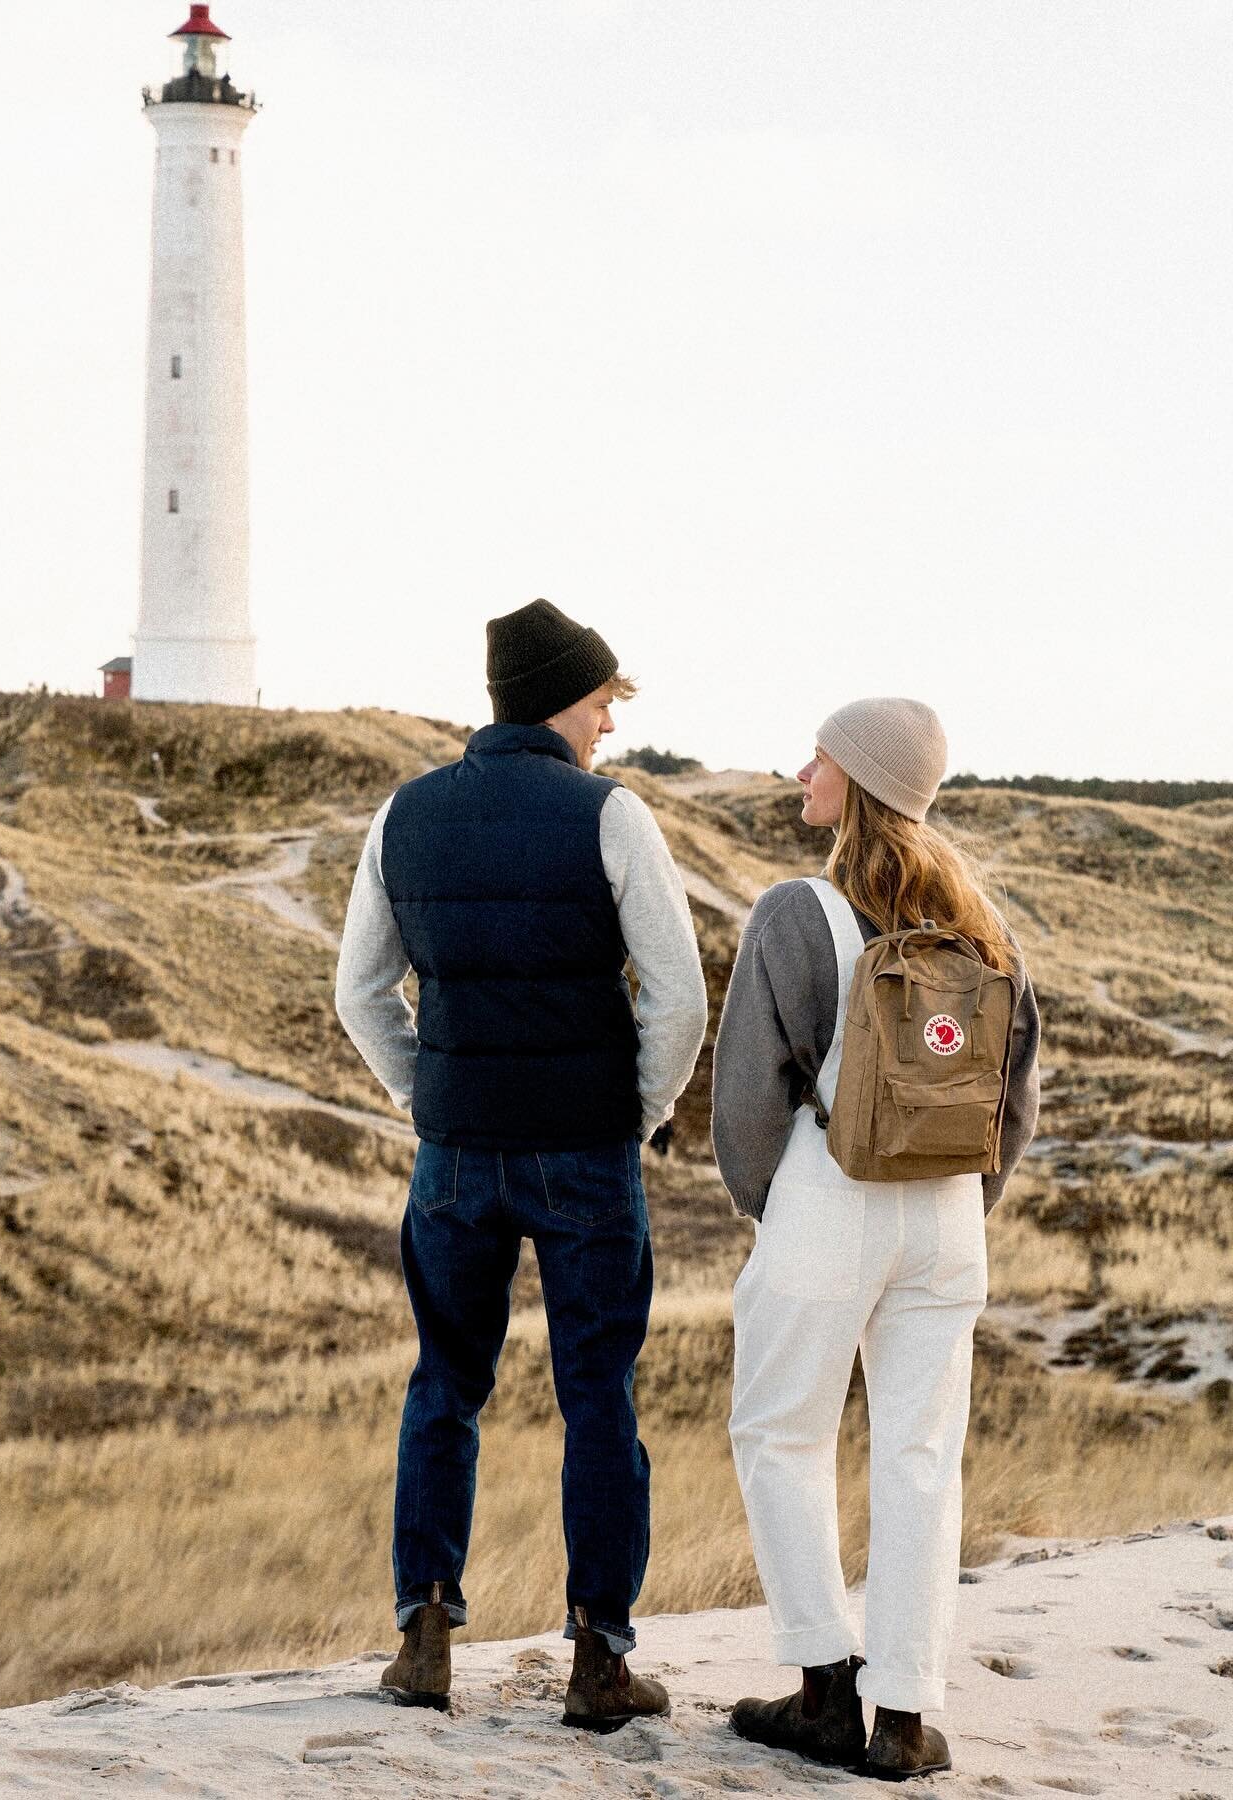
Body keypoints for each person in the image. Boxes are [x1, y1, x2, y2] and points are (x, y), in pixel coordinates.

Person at [336, 598, 708, 1729]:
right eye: (603, 701)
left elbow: (361, 993)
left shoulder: (404, 814)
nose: (609, 724)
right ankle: (600, 1659)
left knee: (445, 1384)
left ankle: (423, 1641)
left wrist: (424, 1095)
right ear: (562, 698)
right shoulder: (612, 817)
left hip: (456, 1155)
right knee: (599, 1392)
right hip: (584, 1158)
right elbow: (680, 997)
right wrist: (632, 1115)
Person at [711, 698, 1040, 1780]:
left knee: (780, 1434)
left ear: (859, 780)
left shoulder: (797, 913)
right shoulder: (988, 923)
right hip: (949, 1214)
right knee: (919, 1460)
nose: (803, 769)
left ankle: (820, 1686)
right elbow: (1015, 1100)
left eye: (823, 756)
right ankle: (903, 1717)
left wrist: (777, 1210)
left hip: (829, 1193)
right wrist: (956, 1210)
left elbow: (749, 1097)